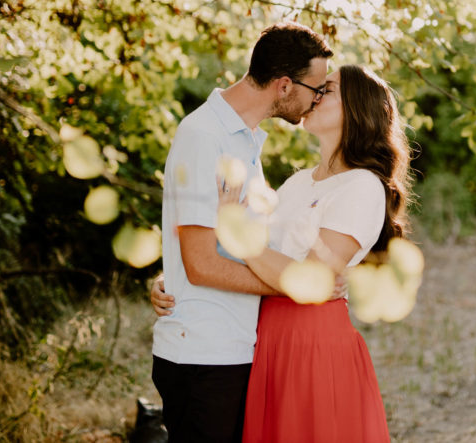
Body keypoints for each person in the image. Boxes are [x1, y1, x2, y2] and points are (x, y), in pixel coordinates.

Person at [155, 64, 411, 443]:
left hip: (313, 346)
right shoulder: (297, 183)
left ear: (358, 108)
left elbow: (309, 279)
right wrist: (171, 277)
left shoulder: (362, 186)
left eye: (328, 90)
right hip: (264, 336)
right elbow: (260, 261)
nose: (315, 96)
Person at [151, 22, 333, 443]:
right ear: (285, 85)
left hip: (232, 348)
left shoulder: (245, 140)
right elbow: (200, 265)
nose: (317, 99)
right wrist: (293, 288)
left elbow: (200, 255)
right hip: (203, 354)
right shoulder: (204, 137)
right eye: (316, 88)